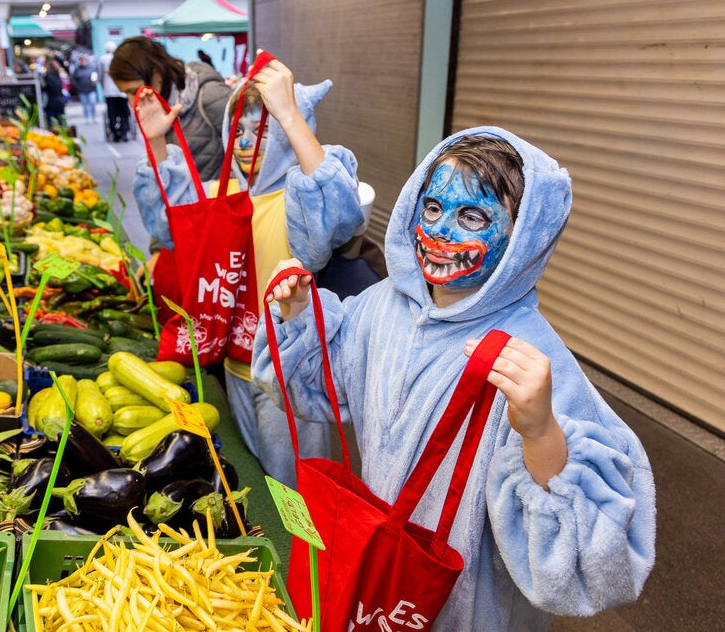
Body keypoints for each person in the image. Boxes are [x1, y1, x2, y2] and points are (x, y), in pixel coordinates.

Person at [252, 128, 656, 628]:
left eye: (473, 216)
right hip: (376, 583)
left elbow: (595, 569)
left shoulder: (533, 359)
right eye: (434, 207)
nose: (442, 230)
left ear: (522, 236)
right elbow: (319, 388)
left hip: (473, 610)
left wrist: (542, 434)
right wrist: (298, 316)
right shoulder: (383, 307)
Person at [133, 54, 367, 488]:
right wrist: (158, 144)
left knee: (296, 488)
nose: (246, 142)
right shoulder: (225, 195)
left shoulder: (298, 199)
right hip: (235, 366)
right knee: (257, 483)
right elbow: (171, 228)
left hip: (289, 379)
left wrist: (290, 116)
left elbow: (337, 214)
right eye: (238, 129)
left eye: (263, 129)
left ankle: (301, 557)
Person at [109, 36, 230, 181]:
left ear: (156, 73)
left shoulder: (209, 93)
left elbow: (253, 155)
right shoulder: (158, 107)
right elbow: (163, 181)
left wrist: (222, 194)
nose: (131, 103)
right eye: (126, 93)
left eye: (135, 92)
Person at [98, 41, 131, 141]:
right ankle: (124, 132)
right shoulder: (122, 58)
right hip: (121, 91)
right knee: (124, 113)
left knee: (112, 113)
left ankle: (115, 134)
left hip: (109, 92)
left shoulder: (102, 59)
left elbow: (100, 76)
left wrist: (102, 85)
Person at [71, 53, 99, 124]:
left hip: (91, 89)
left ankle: (94, 117)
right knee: (85, 105)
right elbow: (73, 79)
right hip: (82, 90)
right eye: (81, 60)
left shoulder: (91, 68)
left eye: (84, 60)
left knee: (92, 103)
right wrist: (77, 87)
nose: (83, 61)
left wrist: (94, 82)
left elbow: (95, 76)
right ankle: (86, 118)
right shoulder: (77, 69)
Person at [42, 58, 66, 128]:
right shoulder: (58, 76)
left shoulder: (47, 77)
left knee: (51, 124)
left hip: (50, 103)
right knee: (61, 123)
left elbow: (44, 89)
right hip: (60, 101)